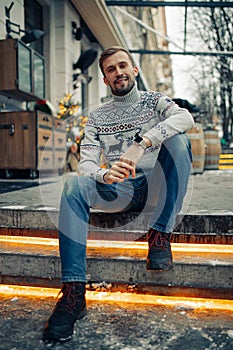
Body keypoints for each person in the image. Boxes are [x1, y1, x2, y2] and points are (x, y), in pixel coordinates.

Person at [43, 46, 194, 343]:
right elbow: (85, 162)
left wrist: (142, 143)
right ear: (105, 79)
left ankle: (160, 234)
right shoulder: (97, 115)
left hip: (158, 185)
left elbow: (184, 118)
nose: (118, 72)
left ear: (134, 70)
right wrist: (102, 174)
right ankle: (74, 293)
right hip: (122, 188)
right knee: (73, 186)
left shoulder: (154, 102)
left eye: (123, 65)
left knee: (180, 143)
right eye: (111, 69)